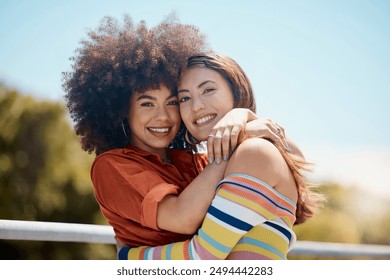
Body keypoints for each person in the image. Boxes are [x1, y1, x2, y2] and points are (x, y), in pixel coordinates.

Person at [63, 15, 290, 253]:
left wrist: (242, 117)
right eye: (147, 104)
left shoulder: (193, 160)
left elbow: (280, 173)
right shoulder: (112, 166)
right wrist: (235, 136)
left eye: (172, 103)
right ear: (122, 110)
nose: (162, 116)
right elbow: (182, 218)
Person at [117, 53, 324, 260]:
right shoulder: (219, 166)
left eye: (208, 90)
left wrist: (127, 256)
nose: (196, 106)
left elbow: (202, 258)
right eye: (184, 98)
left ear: (237, 92)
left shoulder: (254, 152)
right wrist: (244, 118)